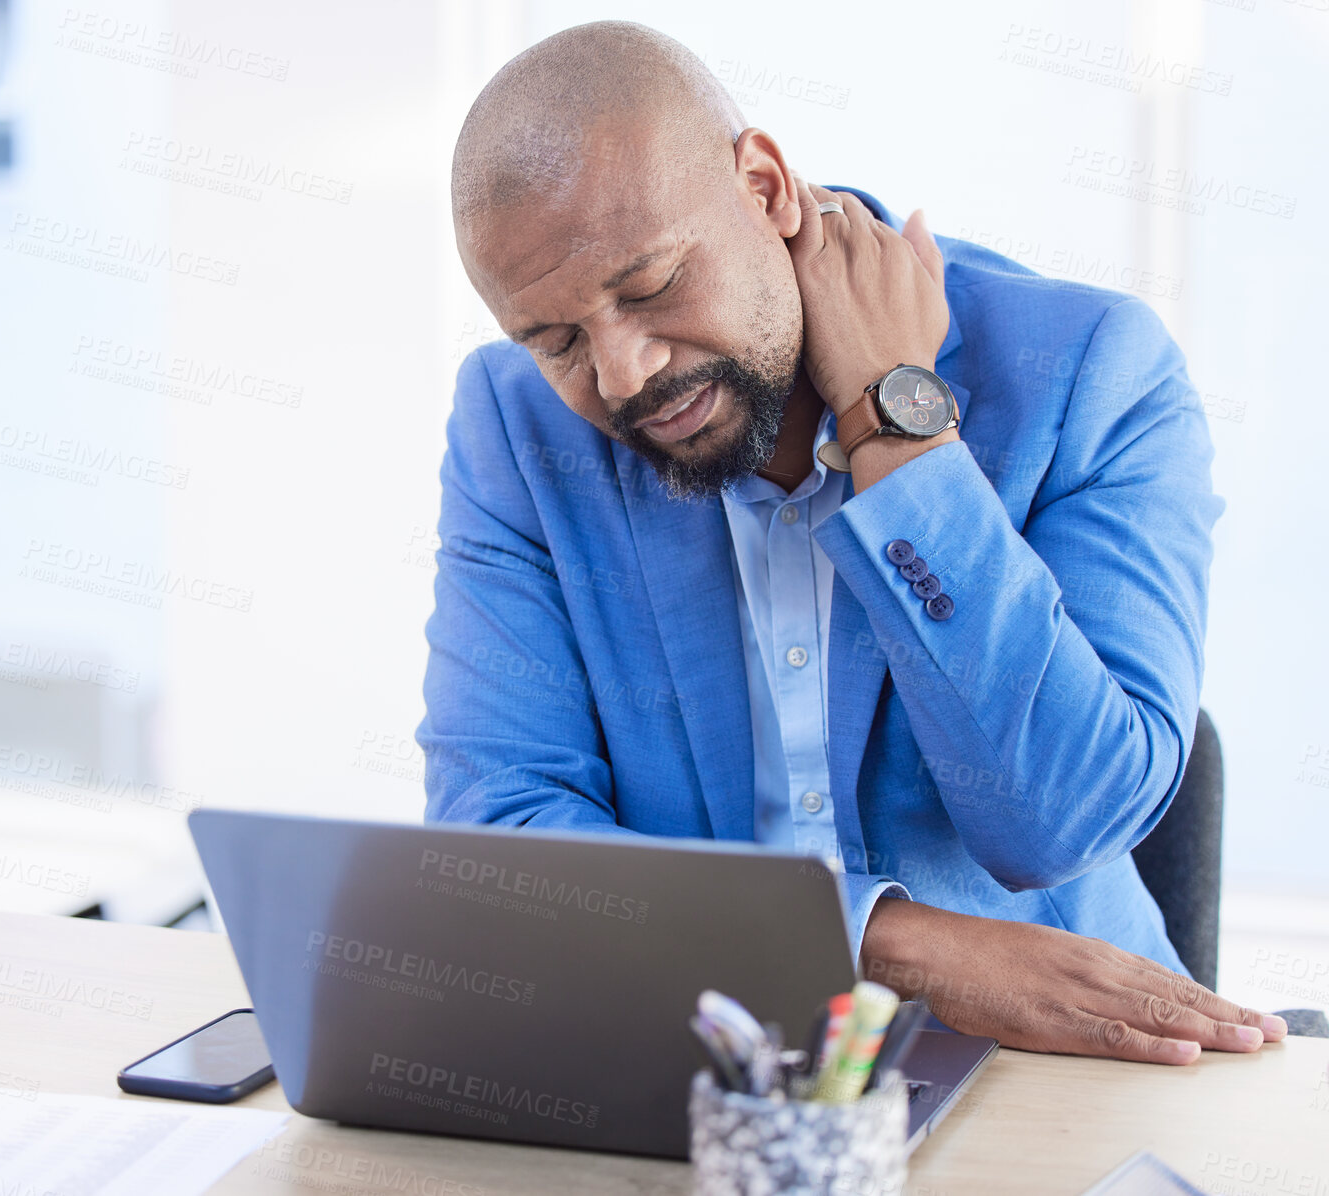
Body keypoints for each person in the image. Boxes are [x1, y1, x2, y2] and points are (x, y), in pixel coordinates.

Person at [418, 20, 1285, 1064]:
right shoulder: (516, 428)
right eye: (553, 339)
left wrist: (897, 431)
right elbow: (499, 835)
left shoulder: (1093, 372)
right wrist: (885, 941)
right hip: (705, 1058)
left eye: (648, 287)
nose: (619, 373)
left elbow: (1063, 816)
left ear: (765, 187)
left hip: (1056, 1066)